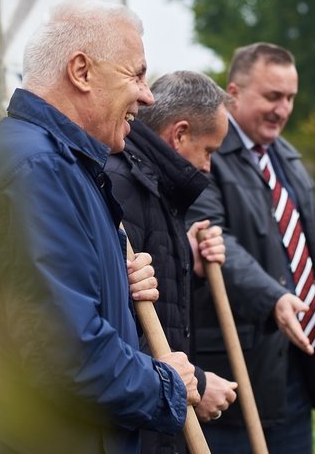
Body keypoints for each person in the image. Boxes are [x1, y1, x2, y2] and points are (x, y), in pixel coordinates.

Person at [0, 0, 199, 454]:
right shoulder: (37, 170)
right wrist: (165, 384)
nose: (147, 96)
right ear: (81, 71)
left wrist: (116, 285)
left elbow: (50, 312)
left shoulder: (58, 163)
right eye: (136, 74)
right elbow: (67, 356)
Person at [189, 43, 315, 454]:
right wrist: (273, 298)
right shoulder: (207, 155)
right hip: (236, 368)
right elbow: (214, 242)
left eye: (290, 98)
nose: (283, 109)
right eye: (272, 96)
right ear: (233, 92)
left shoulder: (286, 156)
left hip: (294, 364)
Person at [105, 71, 239, 454]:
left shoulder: (157, 187)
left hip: (156, 410)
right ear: (179, 135)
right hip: (137, 421)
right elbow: (117, 319)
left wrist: (190, 264)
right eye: (209, 151)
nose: (209, 167)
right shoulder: (123, 183)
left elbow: (153, 296)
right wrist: (192, 381)